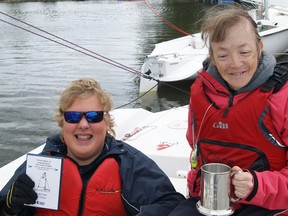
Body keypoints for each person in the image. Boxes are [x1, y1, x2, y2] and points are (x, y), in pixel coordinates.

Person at [0, 78, 185, 216]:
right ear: (62, 123)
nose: (83, 125)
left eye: (93, 116)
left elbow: (172, 205)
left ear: (106, 122)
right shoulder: (40, 163)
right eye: (73, 117)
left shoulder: (129, 164)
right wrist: (9, 208)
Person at [169, 3, 288, 216]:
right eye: (223, 56)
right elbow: (196, 149)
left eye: (244, 52)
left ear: (260, 48)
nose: (235, 63)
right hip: (208, 201)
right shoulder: (199, 92)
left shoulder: (282, 96)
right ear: (212, 56)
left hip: (268, 204)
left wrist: (257, 185)